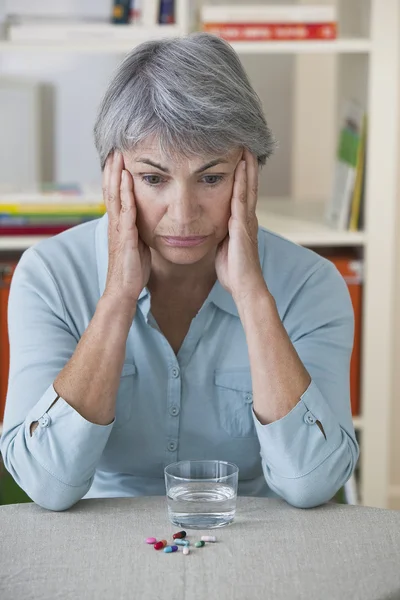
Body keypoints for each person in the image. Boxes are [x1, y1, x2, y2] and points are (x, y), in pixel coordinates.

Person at [0, 33, 359, 511]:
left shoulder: (311, 284)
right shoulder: (49, 276)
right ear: (114, 174)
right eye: (153, 178)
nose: (184, 214)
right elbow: (47, 484)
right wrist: (117, 298)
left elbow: (311, 484)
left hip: (254, 537)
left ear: (248, 171)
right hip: (101, 540)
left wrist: (253, 297)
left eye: (211, 178)